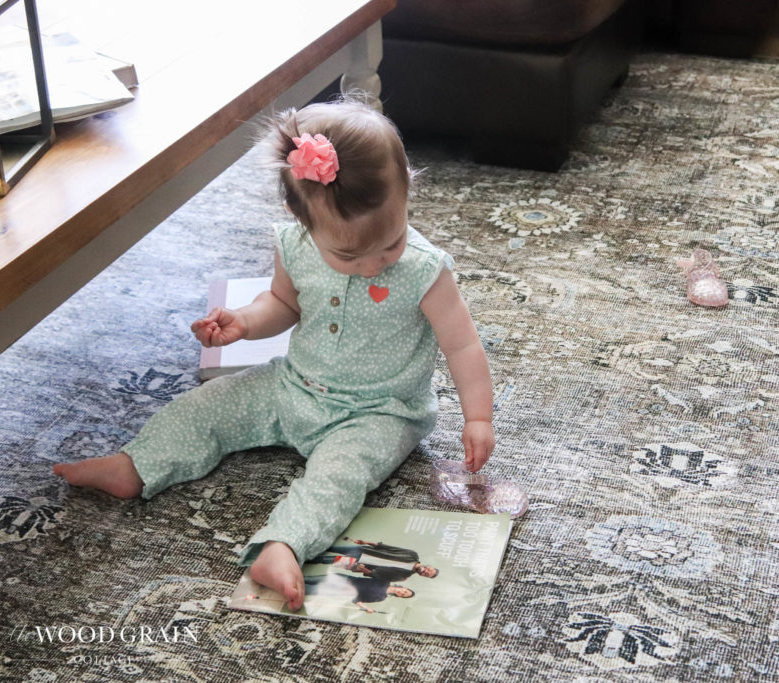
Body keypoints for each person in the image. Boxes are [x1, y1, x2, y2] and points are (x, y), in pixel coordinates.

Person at [52, 98, 495, 612]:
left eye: (390, 243)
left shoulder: (425, 270)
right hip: (294, 385)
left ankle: (282, 545)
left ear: (407, 193)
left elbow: (462, 344)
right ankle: (138, 463)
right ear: (299, 218)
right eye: (348, 255)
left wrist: (478, 415)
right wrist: (244, 322)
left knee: (336, 479)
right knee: (208, 404)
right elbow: (283, 303)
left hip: (380, 413)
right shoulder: (294, 245)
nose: (373, 264)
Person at [310, 537, 438, 581]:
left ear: (423, 576)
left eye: (426, 574)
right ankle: (309, 546)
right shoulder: (412, 555)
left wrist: (363, 570)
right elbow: (387, 547)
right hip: (364, 551)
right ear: (428, 565)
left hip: (359, 564)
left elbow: (377, 575)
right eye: (428, 569)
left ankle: (306, 558)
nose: (425, 571)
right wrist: (366, 542)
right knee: (332, 548)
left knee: (326, 560)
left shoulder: (403, 576)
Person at [303, 573, 413, 613]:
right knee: (308, 579)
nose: (402, 592)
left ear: (399, 596)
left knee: (308, 590)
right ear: (404, 587)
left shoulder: (381, 597)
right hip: (344, 579)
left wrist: (365, 608)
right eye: (405, 591)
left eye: (403, 595)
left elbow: (358, 598)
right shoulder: (385, 580)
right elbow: (371, 571)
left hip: (341, 592)